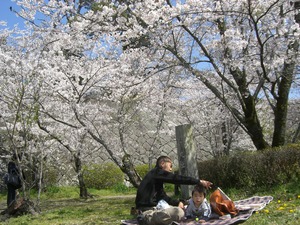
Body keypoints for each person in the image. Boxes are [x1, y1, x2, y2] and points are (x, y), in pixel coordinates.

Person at [135, 155, 212, 225]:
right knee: (178, 212)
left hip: (156, 210)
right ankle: (145, 219)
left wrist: (178, 202)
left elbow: (163, 197)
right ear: (162, 163)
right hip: (147, 213)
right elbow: (175, 178)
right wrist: (198, 181)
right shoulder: (156, 172)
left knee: (182, 210)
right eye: (170, 166)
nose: (171, 169)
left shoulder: (156, 181)